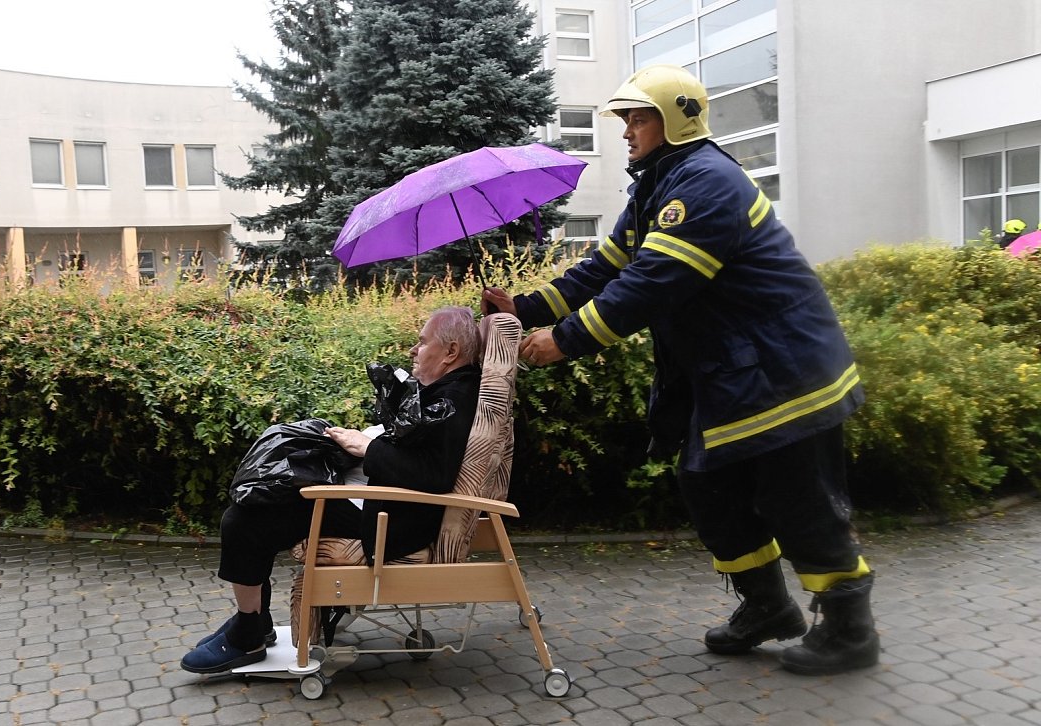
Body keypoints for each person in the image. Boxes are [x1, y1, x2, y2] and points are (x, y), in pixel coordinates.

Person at [481, 64, 878, 675]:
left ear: (674, 120)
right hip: (736, 373)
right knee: (708, 486)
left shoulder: (706, 182)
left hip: (785, 371)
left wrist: (562, 341)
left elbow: (652, 284)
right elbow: (605, 270)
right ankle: (769, 607)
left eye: (637, 119)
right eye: (626, 120)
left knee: (796, 498)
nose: (626, 132)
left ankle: (851, 629)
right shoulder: (657, 186)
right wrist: (525, 308)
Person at [180, 306, 482, 674]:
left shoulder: (453, 400)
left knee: (245, 515)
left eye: (421, 343)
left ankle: (248, 635)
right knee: (271, 485)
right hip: (382, 501)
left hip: (389, 517)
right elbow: (421, 452)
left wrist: (367, 447)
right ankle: (253, 622)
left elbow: (433, 476)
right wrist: (363, 440)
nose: (413, 351)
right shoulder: (452, 392)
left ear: (450, 352)